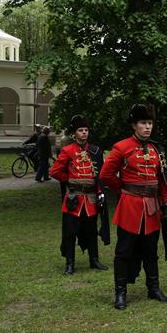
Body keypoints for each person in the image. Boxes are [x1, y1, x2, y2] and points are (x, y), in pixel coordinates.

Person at [100, 103, 167, 310]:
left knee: (151, 251)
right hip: (130, 206)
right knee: (123, 251)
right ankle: (120, 293)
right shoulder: (121, 147)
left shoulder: (155, 149)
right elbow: (105, 176)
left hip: (152, 208)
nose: (147, 127)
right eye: (143, 123)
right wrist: (124, 190)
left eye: (150, 123)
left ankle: (153, 288)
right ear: (134, 125)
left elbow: (161, 179)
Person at [50, 115, 110, 275]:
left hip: (90, 199)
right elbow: (54, 171)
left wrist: (99, 193)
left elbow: (100, 175)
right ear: (75, 133)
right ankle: (70, 264)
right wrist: (70, 180)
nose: (84, 133)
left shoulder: (95, 151)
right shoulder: (68, 150)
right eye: (80, 130)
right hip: (74, 198)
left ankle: (94, 260)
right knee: (70, 233)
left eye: (86, 130)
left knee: (91, 231)